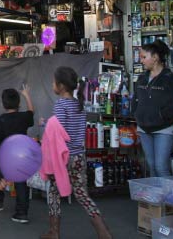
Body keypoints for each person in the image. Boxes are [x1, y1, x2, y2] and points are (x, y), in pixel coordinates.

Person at [39, 66, 112, 239]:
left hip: (63, 158)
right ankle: (103, 231)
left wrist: (45, 124)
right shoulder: (79, 105)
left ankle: (54, 232)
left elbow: (59, 131)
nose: (52, 85)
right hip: (79, 156)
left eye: (54, 82)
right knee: (82, 194)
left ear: (61, 86)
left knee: (54, 193)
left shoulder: (60, 104)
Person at [132, 39, 173, 178]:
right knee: (152, 166)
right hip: (144, 128)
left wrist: (162, 116)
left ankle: (169, 198)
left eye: (144, 57)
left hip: (163, 129)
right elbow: (135, 99)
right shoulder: (142, 78)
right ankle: (156, 199)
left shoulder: (169, 78)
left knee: (161, 166)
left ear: (155, 57)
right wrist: (136, 114)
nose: (141, 61)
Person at [0, 85, 34, 224]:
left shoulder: (1, 120)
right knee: (21, 183)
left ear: (3, 104)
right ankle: (22, 213)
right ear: (18, 103)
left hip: (5, 156)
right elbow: (31, 112)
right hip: (21, 155)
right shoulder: (24, 117)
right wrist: (27, 95)